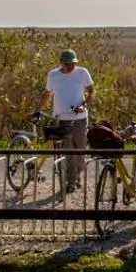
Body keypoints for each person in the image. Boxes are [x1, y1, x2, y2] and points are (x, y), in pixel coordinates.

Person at [40, 48, 94, 191]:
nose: (71, 66)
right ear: (61, 63)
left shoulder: (82, 73)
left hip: (80, 119)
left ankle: (77, 175)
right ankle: (70, 182)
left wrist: (83, 105)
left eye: (73, 63)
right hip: (62, 119)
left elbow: (91, 91)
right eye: (68, 64)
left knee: (80, 151)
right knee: (69, 152)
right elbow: (47, 94)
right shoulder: (53, 75)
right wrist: (37, 110)